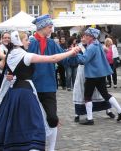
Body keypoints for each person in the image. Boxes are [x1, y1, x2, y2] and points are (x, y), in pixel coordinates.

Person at [0, 31, 79, 151]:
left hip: (12, 92)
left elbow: (1, 66)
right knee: (34, 124)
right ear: (19, 41)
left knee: (14, 122)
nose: (28, 42)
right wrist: (71, 52)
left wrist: (11, 74)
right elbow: (53, 58)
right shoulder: (25, 55)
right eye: (26, 40)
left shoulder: (11, 54)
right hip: (25, 93)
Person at [28, 14, 75, 150]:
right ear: (42, 27)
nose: (51, 30)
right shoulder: (30, 43)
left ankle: (51, 148)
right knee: (34, 120)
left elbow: (63, 59)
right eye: (49, 27)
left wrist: (74, 55)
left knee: (53, 119)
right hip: (32, 87)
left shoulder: (51, 43)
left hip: (48, 86)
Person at [76, 28, 121, 125]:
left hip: (92, 75)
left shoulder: (91, 47)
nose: (85, 37)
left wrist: (76, 53)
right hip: (100, 74)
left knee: (87, 96)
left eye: (86, 35)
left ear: (91, 37)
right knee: (105, 94)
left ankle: (90, 119)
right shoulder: (98, 44)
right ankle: (120, 111)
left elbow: (83, 60)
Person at [73, 35, 115, 123]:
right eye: (82, 37)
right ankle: (78, 113)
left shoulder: (94, 45)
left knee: (100, 92)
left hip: (92, 72)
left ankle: (108, 110)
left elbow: (106, 50)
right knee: (80, 91)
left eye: (85, 37)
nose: (83, 39)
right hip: (82, 71)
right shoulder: (79, 47)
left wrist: (101, 47)